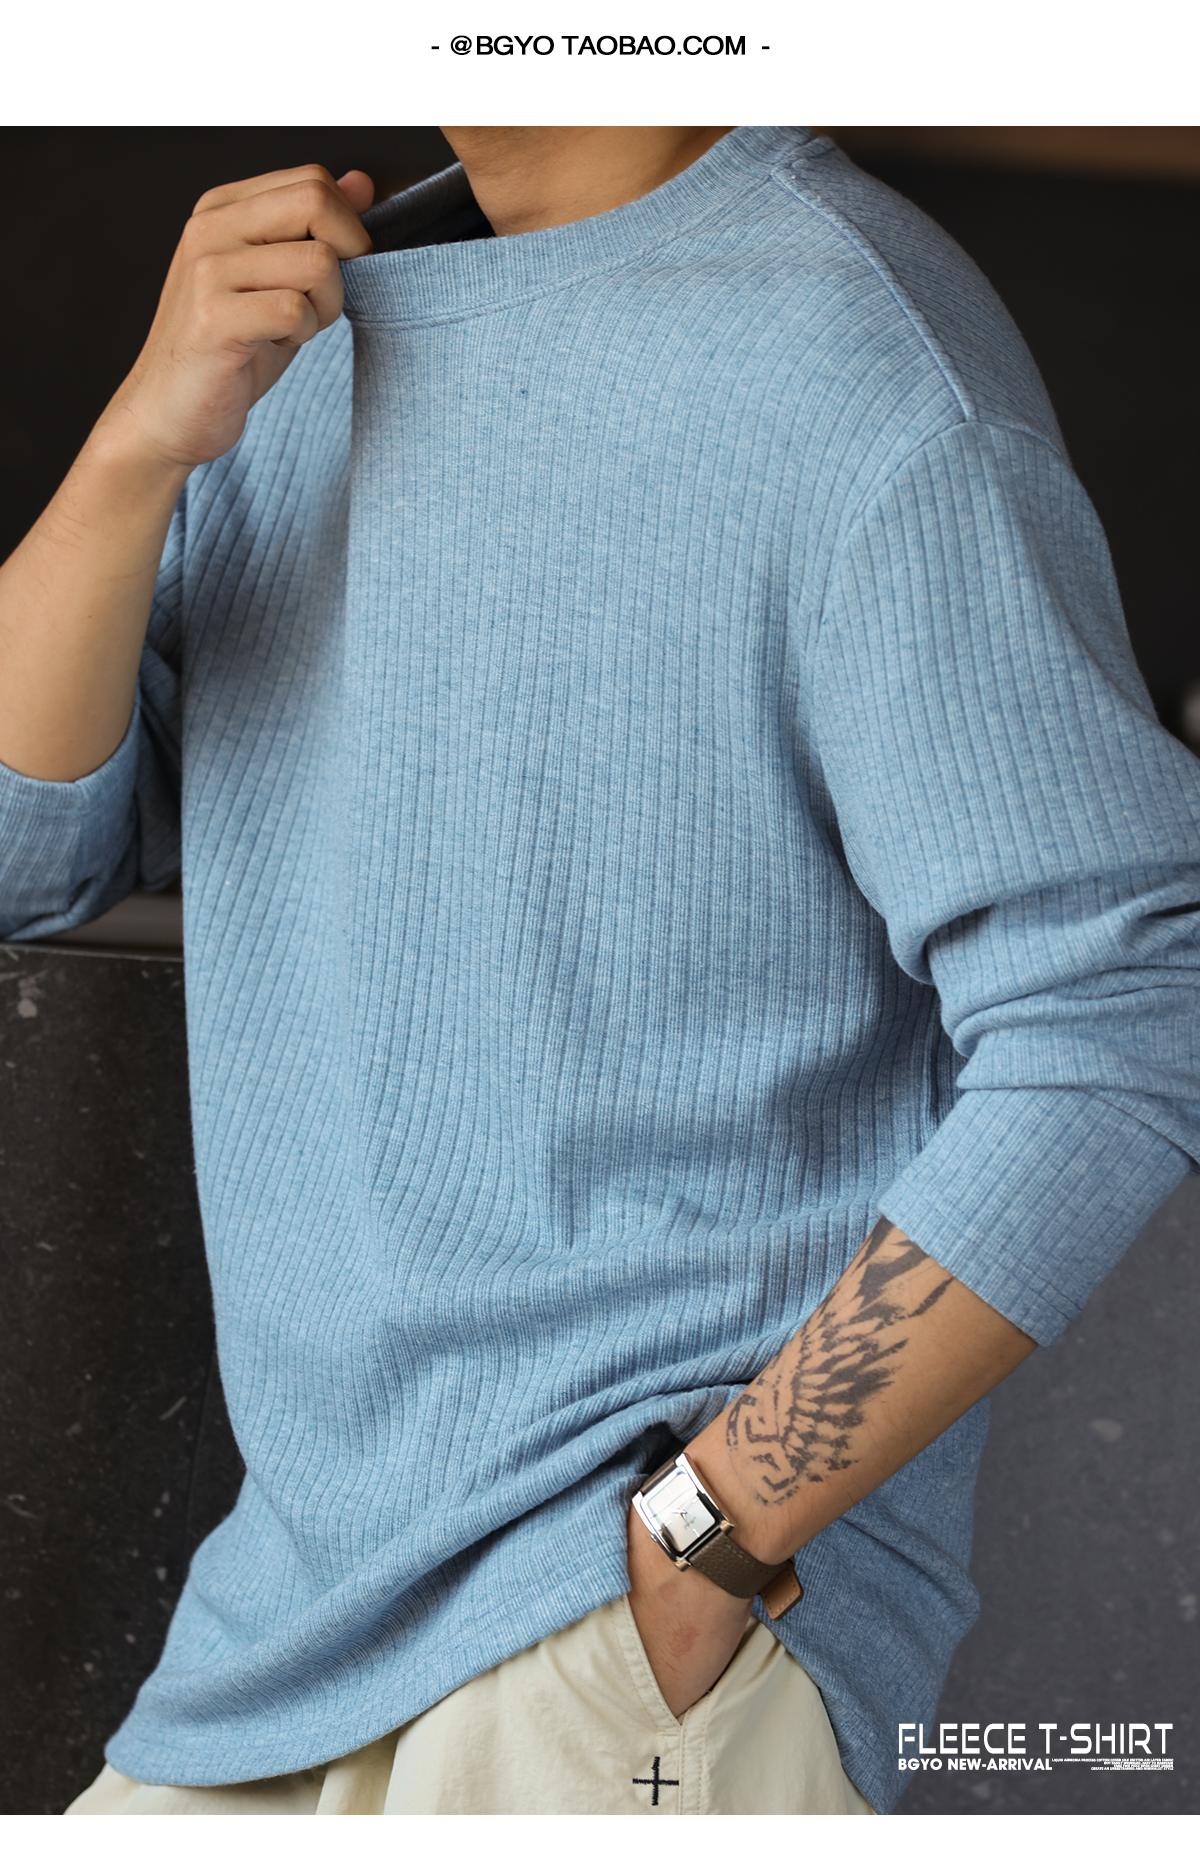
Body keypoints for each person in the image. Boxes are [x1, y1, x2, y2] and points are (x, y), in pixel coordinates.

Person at [1, 124, 1197, 1817]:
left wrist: (707, 1537)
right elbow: (31, 859)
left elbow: (1131, 999)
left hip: (608, 1644)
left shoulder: (850, 348)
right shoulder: (294, 326)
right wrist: (136, 448)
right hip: (275, 1632)